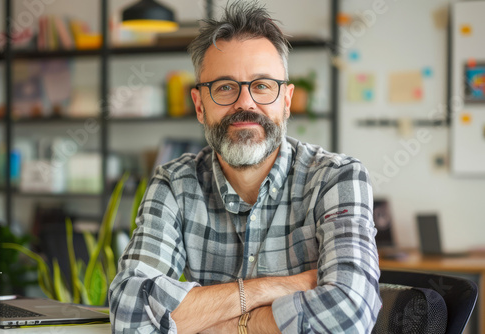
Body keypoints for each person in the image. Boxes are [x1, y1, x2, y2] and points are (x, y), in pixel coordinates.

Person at [109, 1, 382, 333]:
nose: (245, 103)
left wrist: (217, 324)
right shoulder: (175, 184)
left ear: (286, 100)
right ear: (199, 105)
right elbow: (129, 311)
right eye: (225, 87)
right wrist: (268, 289)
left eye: (262, 86)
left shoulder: (337, 178)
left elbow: (350, 316)